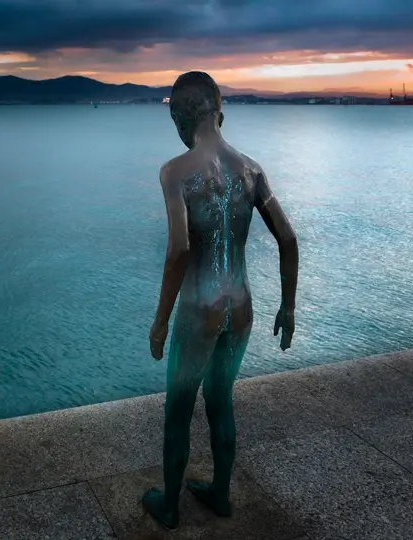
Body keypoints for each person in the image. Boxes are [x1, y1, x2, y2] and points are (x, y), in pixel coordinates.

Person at [144, 71, 298, 530]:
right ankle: (221, 494)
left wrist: (159, 322)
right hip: (242, 308)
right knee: (220, 400)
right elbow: (288, 239)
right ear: (219, 110)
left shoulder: (176, 172)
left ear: (178, 117)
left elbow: (179, 250)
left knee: (178, 410)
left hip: (199, 311)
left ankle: (169, 506)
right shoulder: (251, 170)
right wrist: (288, 306)